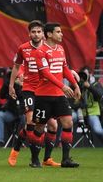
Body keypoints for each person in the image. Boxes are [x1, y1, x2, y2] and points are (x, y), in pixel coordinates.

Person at [27, 22, 81, 168]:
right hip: (43, 96)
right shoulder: (40, 51)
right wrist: (63, 86)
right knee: (39, 128)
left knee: (68, 122)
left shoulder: (61, 49)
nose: (61, 34)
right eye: (58, 32)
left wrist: (75, 85)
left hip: (59, 96)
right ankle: (35, 160)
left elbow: (64, 68)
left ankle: (65, 160)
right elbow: (45, 73)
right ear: (49, 34)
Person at [7, 20, 60, 167]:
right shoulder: (23, 48)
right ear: (29, 33)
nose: (36, 34)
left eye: (39, 31)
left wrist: (72, 73)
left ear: (43, 34)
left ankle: (46, 158)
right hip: (29, 89)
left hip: (45, 90)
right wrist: (12, 85)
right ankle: (34, 158)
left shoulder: (49, 48)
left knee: (53, 125)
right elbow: (17, 67)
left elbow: (58, 66)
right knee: (31, 122)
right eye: (33, 32)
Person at [0, 70, 25, 147]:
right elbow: (1, 95)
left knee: (26, 118)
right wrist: (8, 85)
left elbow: (23, 97)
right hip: (12, 112)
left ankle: (24, 140)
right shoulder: (9, 85)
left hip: (23, 112)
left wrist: (20, 86)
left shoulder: (25, 85)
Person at [72, 67, 103, 143]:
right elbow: (73, 103)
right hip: (80, 113)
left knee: (98, 130)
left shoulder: (96, 84)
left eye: (85, 74)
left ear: (90, 74)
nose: (83, 77)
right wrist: (78, 88)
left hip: (93, 113)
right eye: (82, 75)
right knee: (70, 118)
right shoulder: (77, 86)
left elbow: (99, 95)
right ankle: (64, 142)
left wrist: (89, 86)